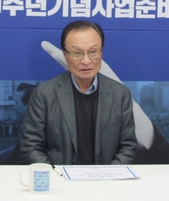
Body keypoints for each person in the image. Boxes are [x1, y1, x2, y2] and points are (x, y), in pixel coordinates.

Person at [21, 20, 137, 165]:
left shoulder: (120, 94)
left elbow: (128, 147)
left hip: (106, 178)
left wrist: (108, 175)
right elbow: (31, 147)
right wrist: (55, 175)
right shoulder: (44, 94)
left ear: (101, 52)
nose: (86, 61)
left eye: (93, 52)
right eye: (77, 53)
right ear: (65, 55)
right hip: (59, 177)